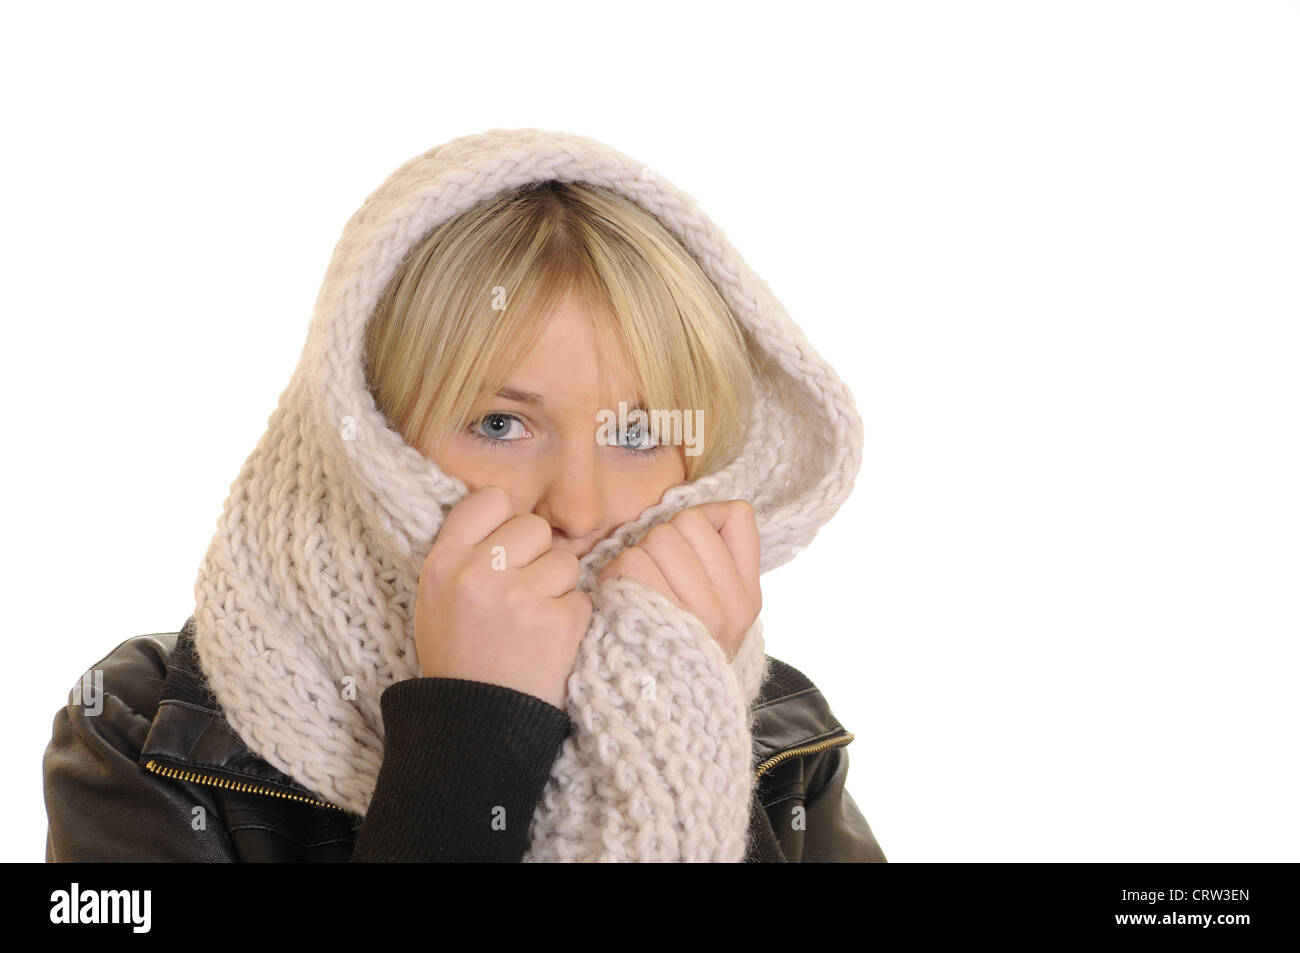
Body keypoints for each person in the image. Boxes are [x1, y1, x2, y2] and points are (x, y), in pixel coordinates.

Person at [42, 128, 887, 862]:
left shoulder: (778, 728)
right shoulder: (142, 726)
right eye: (499, 423)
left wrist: (681, 720)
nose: (581, 508)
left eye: (636, 434)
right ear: (367, 436)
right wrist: (474, 726)